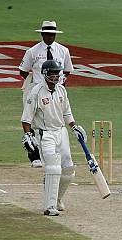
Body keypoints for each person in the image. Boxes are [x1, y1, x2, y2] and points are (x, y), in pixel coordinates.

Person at [21, 60, 85, 216]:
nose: (56, 76)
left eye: (57, 73)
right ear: (45, 74)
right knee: (54, 167)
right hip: (45, 133)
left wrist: (74, 127)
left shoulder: (62, 90)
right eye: (52, 73)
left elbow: (67, 112)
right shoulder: (36, 92)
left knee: (69, 168)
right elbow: (26, 119)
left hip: (61, 131)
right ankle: (49, 207)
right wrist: (28, 134)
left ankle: (57, 199)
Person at [19, 20, 74, 168]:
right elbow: (23, 71)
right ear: (42, 34)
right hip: (37, 89)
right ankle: (34, 155)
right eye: (48, 34)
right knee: (32, 121)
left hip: (56, 90)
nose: (50, 37)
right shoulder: (33, 51)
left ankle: (52, 151)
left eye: (53, 34)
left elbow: (67, 70)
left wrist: (57, 82)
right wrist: (38, 85)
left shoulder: (63, 51)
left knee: (54, 120)